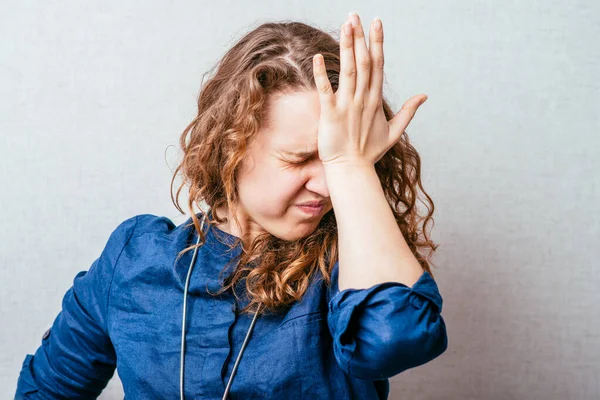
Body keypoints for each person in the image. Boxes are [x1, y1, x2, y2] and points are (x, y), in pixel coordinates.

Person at [15, 12, 448, 399]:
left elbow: (396, 339)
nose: (328, 184)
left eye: (335, 158)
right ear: (231, 147)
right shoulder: (134, 256)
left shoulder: (347, 268)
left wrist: (352, 167)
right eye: (301, 158)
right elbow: (45, 390)